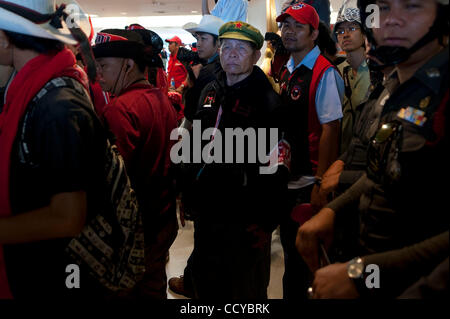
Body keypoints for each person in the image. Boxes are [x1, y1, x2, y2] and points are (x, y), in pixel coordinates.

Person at [297, 0, 449, 299]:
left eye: (412, 6)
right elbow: (385, 169)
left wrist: (361, 274)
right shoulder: (399, 86)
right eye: (381, 9)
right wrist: (332, 212)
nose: (391, 20)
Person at [0, 0, 107, 299]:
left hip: (53, 271)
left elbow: (68, 217)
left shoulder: (57, 105)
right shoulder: (37, 87)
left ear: (3, 37)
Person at [179, 21, 288, 299]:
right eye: (227, 47)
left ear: (255, 55)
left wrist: (266, 222)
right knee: (206, 285)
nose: (232, 54)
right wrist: (186, 189)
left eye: (242, 48)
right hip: (207, 212)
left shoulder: (268, 102)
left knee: (244, 291)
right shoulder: (210, 91)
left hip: (245, 218)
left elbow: (276, 167)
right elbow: (194, 143)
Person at [93, 29, 178, 299]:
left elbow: (113, 182)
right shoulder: (160, 98)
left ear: (128, 65)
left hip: (132, 231)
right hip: (161, 221)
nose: (98, 74)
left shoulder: (119, 109)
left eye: (104, 66)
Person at [275, 2, 343, 299]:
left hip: (308, 182)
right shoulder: (288, 70)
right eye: (285, 25)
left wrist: (320, 182)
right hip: (288, 178)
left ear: (314, 33)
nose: (288, 32)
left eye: (297, 27)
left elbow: (331, 129)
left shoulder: (323, 72)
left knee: (305, 265)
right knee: (292, 260)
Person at [168, 14, 224, 298]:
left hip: (207, 162)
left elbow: (202, 124)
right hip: (202, 159)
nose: (197, 43)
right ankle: (195, 280)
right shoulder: (205, 72)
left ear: (217, 43)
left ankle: (197, 284)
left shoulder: (214, 75)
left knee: (206, 232)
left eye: (203, 39)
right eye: (197, 38)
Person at [333, 1, 370, 154]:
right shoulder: (337, 71)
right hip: (342, 154)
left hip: (366, 154)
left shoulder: (376, 71)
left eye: (352, 28)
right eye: (340, 31)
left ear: (364, 34)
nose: (345, 34)